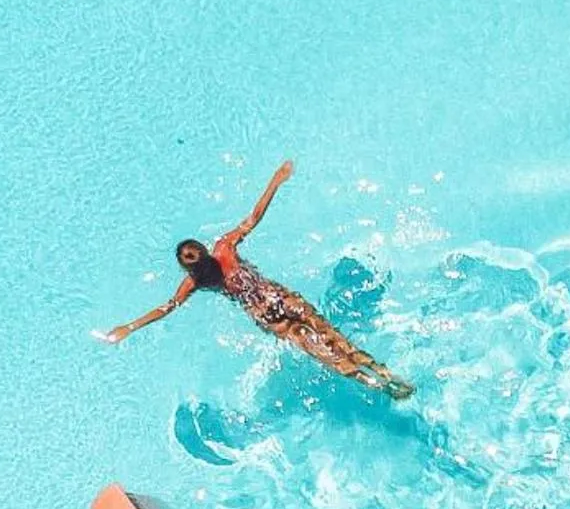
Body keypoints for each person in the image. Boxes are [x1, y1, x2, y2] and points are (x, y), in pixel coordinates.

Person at [99, 160, 413, 398]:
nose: (194, 258)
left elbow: (253, 217)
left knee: (333, 337)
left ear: (203, 250)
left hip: (278, 297)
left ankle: (385, 373)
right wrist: (130, 326)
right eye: (189, 259)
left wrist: (275, 181)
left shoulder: (224, 248)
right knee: (325, 352)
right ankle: (380, 386)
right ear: (188, 268)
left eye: (194, 252)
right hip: (267, 315)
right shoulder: (196, 282)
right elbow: (167, 307)